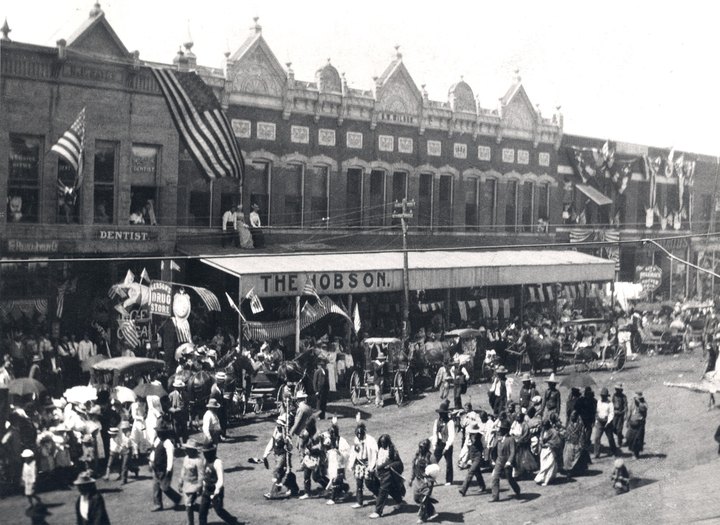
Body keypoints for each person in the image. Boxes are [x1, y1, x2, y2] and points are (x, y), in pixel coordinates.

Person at [199, 443, 241, 525]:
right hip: (207, 489)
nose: (205, 454)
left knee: (219, 510)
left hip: (216, 490)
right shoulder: (205, 461)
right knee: (202, 511)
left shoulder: (217, 462)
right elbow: (205, 475)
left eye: (207, 452)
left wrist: (215, 493)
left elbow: (220, 480)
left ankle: (234, 522)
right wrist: (203, 486)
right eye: (204, 452)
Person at [369, 434, 405, 519]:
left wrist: (389, 465)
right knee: (391, 489)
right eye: (381, 442)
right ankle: (399, 501)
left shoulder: (392, 450)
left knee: (383, 491)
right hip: (379, 473)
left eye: (384, 442)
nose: (383, 444)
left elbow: (398, 463)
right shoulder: (379, 449)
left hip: (389, 473)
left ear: (388, 442)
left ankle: (378, 511)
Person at [149, 422, 181, 511]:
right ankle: (157, 504)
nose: (159, 434)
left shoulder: (168, 443)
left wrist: (169, 469)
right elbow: (153, 452)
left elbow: (170, 456)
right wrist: (151, 462)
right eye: (158, 432)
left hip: (164, 468)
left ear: (165, 433)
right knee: (156, 486)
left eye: (161, 432)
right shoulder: (157, 441)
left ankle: (177, 498)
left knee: (164, 487)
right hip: (156, 467)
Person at [349, 420, 378, 509]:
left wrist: (372, 465)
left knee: (369, 482)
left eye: (361, 434)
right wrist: (351, 463)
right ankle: (359, 502)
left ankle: (379, 494)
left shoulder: (370, 440)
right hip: (359, 464)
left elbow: (374, 453)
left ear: (364, 432)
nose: (359, 436)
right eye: (357, 435)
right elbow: (354, 452)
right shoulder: (356, 440)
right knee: (359, 483)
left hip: (367, 464)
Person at [490, 419, 521, 502]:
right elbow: (493, 449)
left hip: (507, 462)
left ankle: (517, 490)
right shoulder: (497, 438)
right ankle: (495, 496)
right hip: (499, 460)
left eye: (502, 429)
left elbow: (513, 452)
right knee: (495, 477)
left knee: (509, 478)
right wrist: (493, 459)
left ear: (506, 430)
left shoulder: (511, 439)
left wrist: (509, 462)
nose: (500, 430)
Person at [179, 438, 205, 525]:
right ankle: (201, 510)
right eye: (186, 449)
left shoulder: (198, 461)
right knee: (187, 505)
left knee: (189, 505)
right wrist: (180, 482)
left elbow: (201, 475)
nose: (186, 451)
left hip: (194, 485)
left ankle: (190, 523)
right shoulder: (186, 458)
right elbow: (183, 470)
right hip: (186, 485)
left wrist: (199, 487)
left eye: (189, 449)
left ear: (194, 451)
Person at [430, 399, 456, 486]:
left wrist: (447, 447)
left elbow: (452, 436)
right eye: (440, 413)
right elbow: (434, 433)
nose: (441, 415)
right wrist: (434, 445)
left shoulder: (450, 422)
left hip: (447, 444)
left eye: (443, 413)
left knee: (449, 463)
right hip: (439, 443)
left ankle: (449, 480)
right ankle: (431, 479)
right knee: (433, 461)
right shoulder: (436, 422)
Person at [458, 422, 486, 496]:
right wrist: (462, 457)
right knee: (477, 472)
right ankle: (482, 486)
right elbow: (466, 447)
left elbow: (485, 447)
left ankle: (463, 489)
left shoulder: (481, 437)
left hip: (478, 456)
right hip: (471, 456)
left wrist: (485, 456)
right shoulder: (469, 436)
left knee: (471, 471)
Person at [534, 419, 562, 486]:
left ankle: (547, 480)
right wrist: (541, 443)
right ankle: (543, 478)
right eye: (543, 426)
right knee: (543, 464)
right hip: (543, 451)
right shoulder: (543, 431)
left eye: (545, 425)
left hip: (550, 450)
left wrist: (548, 444)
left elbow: (557, 441)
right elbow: (541, 439)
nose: (544, 427)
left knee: (549, 465)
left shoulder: (553, 431)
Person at [563, 410, 590, 477]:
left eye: (574, 416)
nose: (572, 417)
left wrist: (581, 443)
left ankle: (575, 471)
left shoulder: (580, 424)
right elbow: (566, 433)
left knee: (576, 458)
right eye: (571, 416)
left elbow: (582, 434)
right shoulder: (569, 424)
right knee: (568, 458)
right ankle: (569, 471)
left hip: (577, 443)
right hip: (569, 443)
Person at [593, 387, 618, 458]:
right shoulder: (598, 402)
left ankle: (614, 452)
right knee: (597, 437)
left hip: (607, 423)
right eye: (602, 396)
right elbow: (597, 411)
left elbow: (611, 413)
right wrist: (597, 418)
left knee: (610, 438)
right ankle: (596, 454)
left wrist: (608, 421)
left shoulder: (610, 403)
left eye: (604, 396)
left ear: (607, 396)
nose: (603, 397)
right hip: (599, 422)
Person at [626, 391, 648, 459]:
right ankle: (633, 452)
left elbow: (644, 409)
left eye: (638, 398)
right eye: (636, 398)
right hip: (632, 422)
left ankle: (636, 454)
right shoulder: (631, 402)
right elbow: (629, 412)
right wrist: (627, 421)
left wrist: (639, 403)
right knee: (629, 437)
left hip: (640, 423)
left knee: (637, 439)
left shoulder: (643, 403)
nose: (637, 399)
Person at [168, 378, 188, 446]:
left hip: (183, 415)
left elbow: (187, 404)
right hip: (175, 416)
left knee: (184, 429)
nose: (180, 389)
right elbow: (168, 406)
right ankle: (177, 442)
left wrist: (184, 409)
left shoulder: (185, 394)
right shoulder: (171, 395)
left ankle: (185, 442)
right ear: (175, 388)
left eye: (181, 388)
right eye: (178, 388)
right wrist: (172, 410)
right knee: (176, 430)